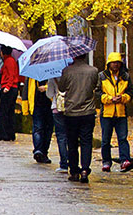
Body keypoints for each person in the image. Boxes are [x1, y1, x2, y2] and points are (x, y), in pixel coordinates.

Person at [58, 53, 99, 183]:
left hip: (71, 112)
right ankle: (85, 169)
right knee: (86, 142)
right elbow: (94, 87)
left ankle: (74, 171)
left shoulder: (67, 71)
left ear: (73, 57)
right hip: (88, 112)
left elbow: (62, 88)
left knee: (72, 143)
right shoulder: (93, 71)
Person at [98, 52, 133, 173]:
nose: (115, 65)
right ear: (109, 64)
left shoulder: (125, 76)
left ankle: (124, 160)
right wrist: (109, 99)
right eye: (113, 63)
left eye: (117, 63)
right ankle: (106, 162)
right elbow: (97, 93)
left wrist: (123, 98)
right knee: (105, 139)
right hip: (107, 113)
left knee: (123, 137)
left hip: (121, 112)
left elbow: (131, 91)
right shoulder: (102, 76)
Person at [0, 46, 19, 141]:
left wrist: (7, 87)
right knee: (9, 112)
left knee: (4, 112)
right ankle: (9, 134)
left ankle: (3, 134)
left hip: (8, 88)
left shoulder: (9, 61)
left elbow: (11, 75)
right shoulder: (9, 61)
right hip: (11, 88)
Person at [46, 77, 69, 173]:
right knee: (71, 135)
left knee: (61, 136)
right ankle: (73, 162)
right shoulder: (70, 75)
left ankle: (64, 164)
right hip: (71, 107)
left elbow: (49, 94)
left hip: (57, 108)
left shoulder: (52, 77)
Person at [29, 78, 54, 164]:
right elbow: (28, 89)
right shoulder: (33, 73)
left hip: (51, 104)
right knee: (38, 128)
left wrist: (47, 87)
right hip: (37, 104)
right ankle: (38, 150)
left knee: (48, 130)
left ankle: (44, 152)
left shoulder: (54, 71)